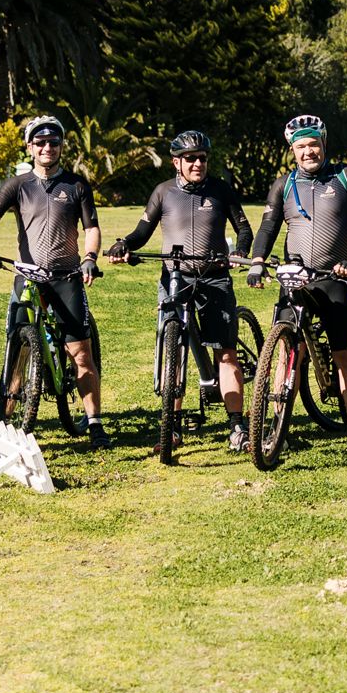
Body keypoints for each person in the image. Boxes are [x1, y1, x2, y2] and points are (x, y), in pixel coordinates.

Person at [108, 128, 255, 451]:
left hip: (214, 277)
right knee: (173, 349)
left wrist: (241, 251)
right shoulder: (163, 192)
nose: (197, 164)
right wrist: (124, 244)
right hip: (175, 278)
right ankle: (171, 427)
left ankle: (237, 426)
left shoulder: (220, 190)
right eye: (190, 159)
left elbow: (244, 228)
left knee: (226, 352)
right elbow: (142, 231)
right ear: (176, 162)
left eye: (202, 158)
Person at [0, 115, 108, 449]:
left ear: (61, 146)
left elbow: (91, 228)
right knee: (17, 348)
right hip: (27, 276)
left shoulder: (76, 185)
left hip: (66, 277)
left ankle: (94, 422)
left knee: (81, 354)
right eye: (40, 143)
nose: (47, 148)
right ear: (30, 147)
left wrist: (90, 257)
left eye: (53, 142)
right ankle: (5, 422)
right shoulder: (18, 185)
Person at [249, 113, 347, 454]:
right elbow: (268, 227)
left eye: (314, 144)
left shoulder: (346, 175)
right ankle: (278, 430)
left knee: (345, 356)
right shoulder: (284, 184)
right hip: (296, 279)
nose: (308, 151)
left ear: (324, 144)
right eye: (301, 147)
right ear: (293, 150)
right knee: (286, 352)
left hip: (334, 278)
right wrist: (258, 261)